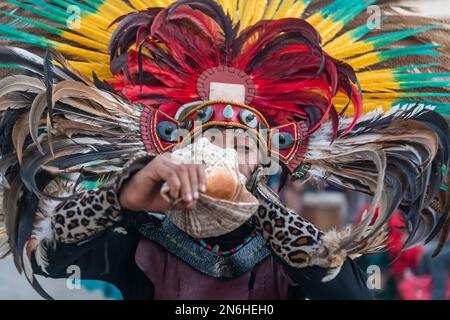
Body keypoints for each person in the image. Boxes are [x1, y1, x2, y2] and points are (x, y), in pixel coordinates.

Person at [0, 0, 449, 301]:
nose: (221, 154)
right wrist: (123, 194)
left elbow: (347, 295)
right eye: (207, 142)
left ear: (269, 159)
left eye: (240, 145)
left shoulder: (287, 246)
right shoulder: (141, 237)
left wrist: (258, 208)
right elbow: (52, 256)